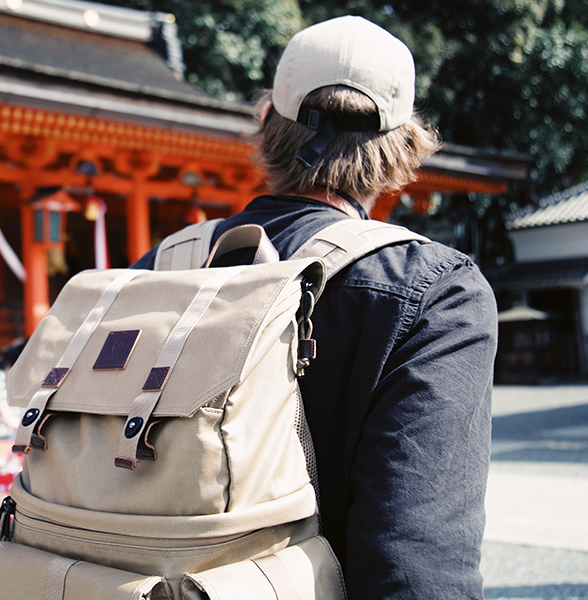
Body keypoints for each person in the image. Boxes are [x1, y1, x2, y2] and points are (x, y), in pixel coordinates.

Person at [131, 16, 497, 600]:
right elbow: (415, 562)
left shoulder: (160, 266)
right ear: (407, 146)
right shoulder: (435, 292)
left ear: (266, 122)